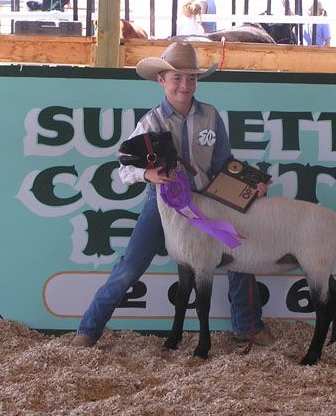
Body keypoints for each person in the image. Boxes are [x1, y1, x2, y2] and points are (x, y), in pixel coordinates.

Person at [71, 42, 274, 348]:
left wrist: (251, 183)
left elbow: (223, 162)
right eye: (177, 78)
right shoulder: (151, 122)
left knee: (239, 251)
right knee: (131, 265)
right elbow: (123, 167)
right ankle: (89, 328)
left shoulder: (210, 116)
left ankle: (247, 325)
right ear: (161, 80)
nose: (184, 84)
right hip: (164, 203)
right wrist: (147, 174)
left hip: (208, 198)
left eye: (191, 78)